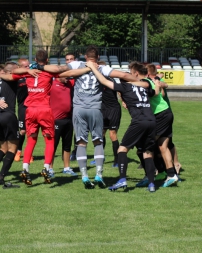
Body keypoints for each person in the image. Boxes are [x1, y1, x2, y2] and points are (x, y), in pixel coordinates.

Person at [49, 46, 138, 189]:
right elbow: (124, 76)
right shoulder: (102, 69)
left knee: (81, 142)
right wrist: (142, 81)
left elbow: (59, 71)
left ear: (85, 56)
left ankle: (84, 175)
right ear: (97, 58)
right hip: (95, 109)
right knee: (98, 141)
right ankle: (99, 174)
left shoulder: (76, 64)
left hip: (78, 109)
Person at [86, 61, 157, 192]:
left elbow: (103, 80)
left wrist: (92, 68)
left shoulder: (125, 87)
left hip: (139, 120)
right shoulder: (144, 85)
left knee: (122, 150)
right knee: (147, 152)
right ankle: (151, 184)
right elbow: (154, 91)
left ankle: (122, 180)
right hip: (152, 120)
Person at [0, 50, 61, 185]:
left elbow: (9, 76)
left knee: (31, 140)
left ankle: (25, 168)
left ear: (35, 59)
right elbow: (63, 70)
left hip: (30, 110)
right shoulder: (49, 71)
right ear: (47, 60)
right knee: (49, 141)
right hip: (44, 109)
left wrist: (0, 75)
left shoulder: (27, 72)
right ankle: (46, 168)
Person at [130, 62, 178, 188]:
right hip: (165, 113)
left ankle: (149, 175)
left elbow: (158, 90)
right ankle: (170, 174)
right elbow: (162, 87)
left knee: (143, 147)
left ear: (135, 73)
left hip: (160, 115)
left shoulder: (145, 82)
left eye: (131, 73)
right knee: (162, 146)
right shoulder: (151, 80)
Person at [49, 75, 77, 176]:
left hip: (68, 120)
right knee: (53, 145)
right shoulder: (51, 84)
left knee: (67, 145)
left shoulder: (69, 83)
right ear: (58, 75)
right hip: (55, 120)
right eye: (66, 76)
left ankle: (67, 167)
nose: (68, 78)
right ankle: (50, 168)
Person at [14, 58, 32, 163]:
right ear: (20, 67)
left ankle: (29, 153)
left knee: (32, 131)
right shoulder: (17, 78)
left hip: (33, 107)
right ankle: (18, 150)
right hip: (22, 107)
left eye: (28, 66)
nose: (28, 68)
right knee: (23, 131)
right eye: (25, 66)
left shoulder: (32, 75)